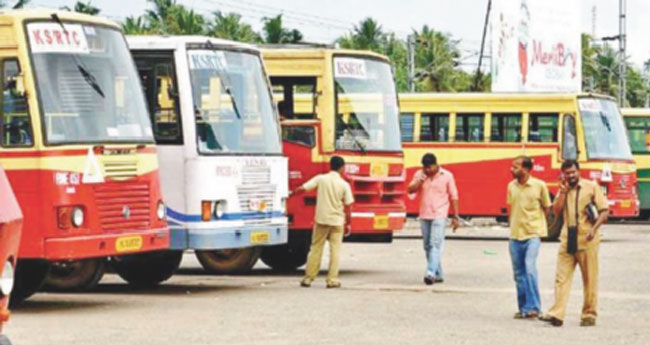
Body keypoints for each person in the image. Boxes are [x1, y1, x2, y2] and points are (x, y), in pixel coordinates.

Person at [539, 160, 609, 327]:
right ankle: (557, 313)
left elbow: (604, 211)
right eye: (567, 173)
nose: (570, 176)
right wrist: (562, 193)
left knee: (590, 278)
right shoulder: (564, 189)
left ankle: (589, 314)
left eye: (573, 172)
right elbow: (554, 212)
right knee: (561, 277)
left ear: (578, 171)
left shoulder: (591, 187)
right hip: (566, 237)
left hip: (587, 238)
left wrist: (595, 228)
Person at [292, 156, 354, 288]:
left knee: (316, 248)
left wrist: (291, 193)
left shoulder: (321, 179)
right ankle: (332, 280)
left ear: (330, 166)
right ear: (342, 168)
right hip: (337, 222)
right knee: (335, 251)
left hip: (321, 220)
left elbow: (303, 188)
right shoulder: (344, 184)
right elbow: (348, 206)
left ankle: (308, 278)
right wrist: (348, 223)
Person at [507, 156, 551, 319]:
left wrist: (540, 226)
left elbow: (547, 208)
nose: (512, 170)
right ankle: (524, 308)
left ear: (526, 169)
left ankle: (534, 307)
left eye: (516, 167)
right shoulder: (511, 186)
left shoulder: (539, 186)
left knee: (530, 268)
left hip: (532, 234)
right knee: (518, 273)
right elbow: (512, 208)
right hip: (515, 236)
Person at [408, 153, 459, 285]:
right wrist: (420, 181)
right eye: (425, 168)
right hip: (424, 214)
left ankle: (430, 273)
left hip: (440, 214)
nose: (428, 170)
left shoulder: (447, 176)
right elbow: (410, 190)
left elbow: (454, 196)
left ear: (436, 165)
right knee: (427, 246)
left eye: (430, 167)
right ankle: (438, 273)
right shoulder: (419, 175)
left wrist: (455, 216)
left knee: (435, 244)